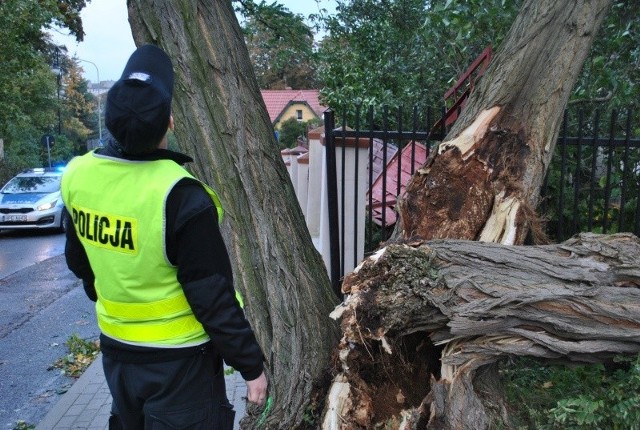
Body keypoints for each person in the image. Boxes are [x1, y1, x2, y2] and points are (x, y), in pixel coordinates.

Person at [60, 44, 267, 429]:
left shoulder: (76, 175)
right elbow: (212, 296)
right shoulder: (180, 196)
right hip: (180, 365)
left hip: (118, 354)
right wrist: (250, 365)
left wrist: (108, 292)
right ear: (169, 122)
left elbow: (78, 259)